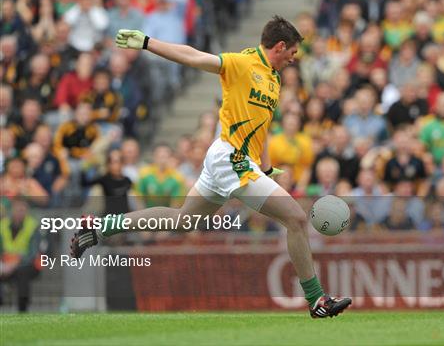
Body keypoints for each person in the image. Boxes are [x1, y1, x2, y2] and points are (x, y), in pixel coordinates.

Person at [70, 16, 351, 318]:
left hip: (234, 160)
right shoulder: (242, 63)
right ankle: (316, 299)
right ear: (280, 46)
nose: (294, 59)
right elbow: (193, 56)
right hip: (230, 158)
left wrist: (266, 169)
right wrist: (148, 43)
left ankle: (100, 227)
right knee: (295, 218)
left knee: (183, 221)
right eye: (293, 53)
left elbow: (262, 127)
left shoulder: (273, 79)